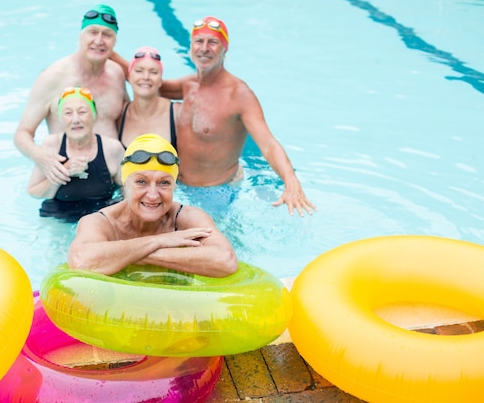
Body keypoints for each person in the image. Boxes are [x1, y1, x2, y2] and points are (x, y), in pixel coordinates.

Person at [111, 16, 316, 217]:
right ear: (190, 47)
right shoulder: (188, 85)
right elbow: (145, 80)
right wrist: (107, 51)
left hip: (216, 193)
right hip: (179, 188)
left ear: (224, 49)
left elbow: (268, 144)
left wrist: (291, 182)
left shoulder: (238, 94)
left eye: (213, 42)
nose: (204, 48)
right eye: (199, 41)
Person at [67, 133, 238, 277]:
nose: (153, 194)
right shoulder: (101, 222)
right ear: (125, 183)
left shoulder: (187, 218)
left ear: (174, 186)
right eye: (141, 181)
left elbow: (226, 260)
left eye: (164, 183)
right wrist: (161, 241)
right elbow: (81, 260)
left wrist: (135, 253)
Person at [15, 4, 128, 187]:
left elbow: (127, 119)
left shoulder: (116, 74)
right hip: (66, 183)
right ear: (80, 36)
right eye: (93, 32)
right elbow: (22, 133)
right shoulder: (52, 78)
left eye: (107, 34)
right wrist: (43, 158)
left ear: (114, 42)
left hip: (111, 183)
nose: (99, 40)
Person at [27, 86, 125, 222]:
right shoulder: (51, 146)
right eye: (68, 113)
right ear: (61, 119)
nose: (75, 120)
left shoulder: (112, 149)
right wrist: (63, 171)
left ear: (94, 116)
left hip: (101, 220)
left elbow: (126, 189)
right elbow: (34, 192)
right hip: (58, 219)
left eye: (82, 112)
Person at [116, 46, 180, 149]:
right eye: (139, 71)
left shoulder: (176, 114)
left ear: (160, 81)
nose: (146, 77)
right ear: (129, 77)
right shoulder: (120, 114)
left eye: (153, 72)